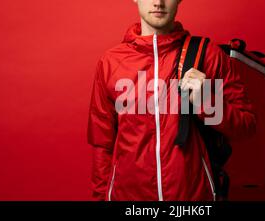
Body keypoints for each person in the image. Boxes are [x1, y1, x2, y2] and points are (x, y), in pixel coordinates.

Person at [87, 0, 255, 201]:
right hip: (128, 198)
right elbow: (102, 144)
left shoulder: (207, 55)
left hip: (192, 198)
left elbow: (246, 125)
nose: (158, 2)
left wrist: (206, 101)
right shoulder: (111, 62)